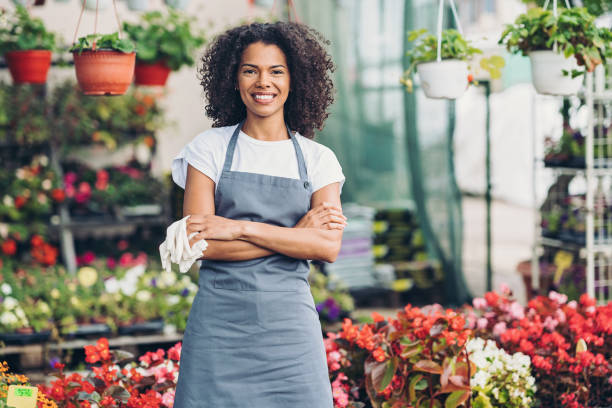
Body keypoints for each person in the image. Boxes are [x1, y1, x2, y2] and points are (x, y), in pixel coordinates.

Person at [170, 21, 346, 407]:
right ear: (234, 79)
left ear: (294, 80)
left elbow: (327, 246)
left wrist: (236, 228)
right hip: (220, 325)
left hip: (290, 332)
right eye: (250, 70)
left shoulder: (319, 160)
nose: (262, 82)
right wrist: (296, 236)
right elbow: (198, 245)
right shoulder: (208, 149)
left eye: (276, 71)